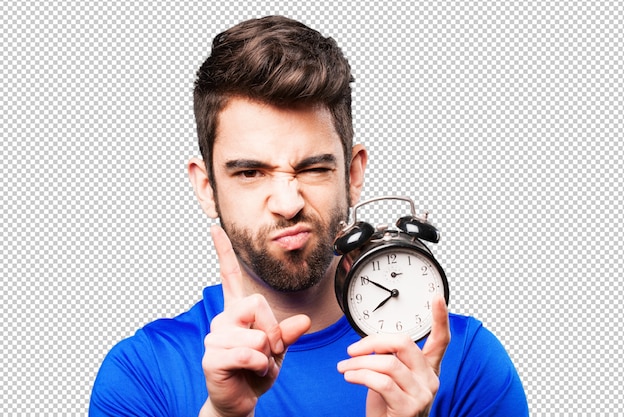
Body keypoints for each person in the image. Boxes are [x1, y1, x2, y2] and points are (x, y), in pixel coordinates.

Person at [90, 15, 528, 416]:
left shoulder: (467, 360)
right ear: (207, 188)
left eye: (314, 168)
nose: (287, 202)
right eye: (249, 172)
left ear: (353, 174)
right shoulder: (142, 372)